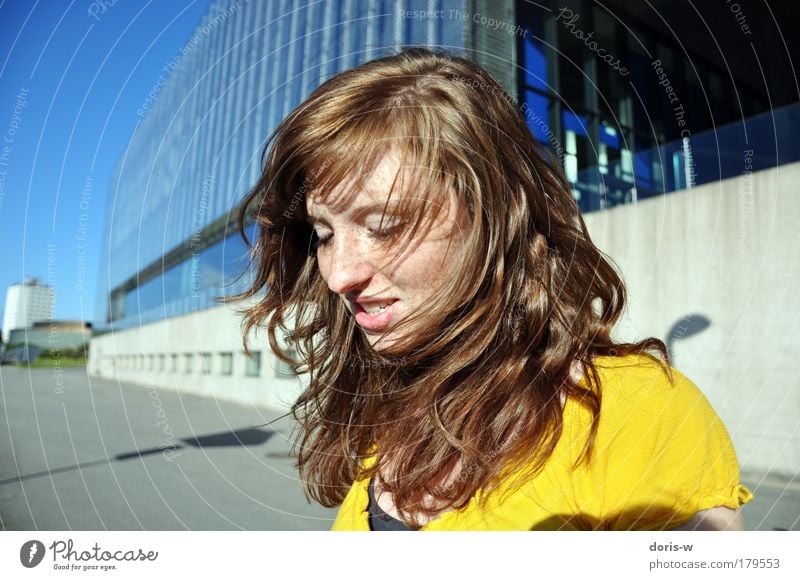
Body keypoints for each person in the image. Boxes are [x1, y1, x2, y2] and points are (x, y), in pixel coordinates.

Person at [233, 48, 753, 531]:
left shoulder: (639, 415)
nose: (340, 275)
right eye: (324, 234)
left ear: (496, 217)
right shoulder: (392, 411)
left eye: (386, 225)